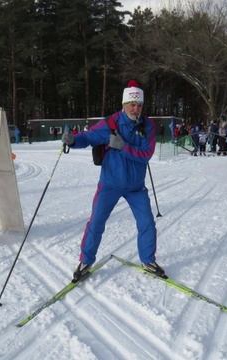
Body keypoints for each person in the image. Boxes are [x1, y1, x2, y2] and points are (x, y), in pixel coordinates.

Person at [61, 80, 165, 281]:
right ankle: (86, 261)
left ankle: (148, 259)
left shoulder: (149, 126)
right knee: (97, 222)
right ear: (124, 104)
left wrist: (122, 147)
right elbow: (89, 137)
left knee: (147, 223)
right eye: (132, 104)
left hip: (136, 187)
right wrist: (73, 140)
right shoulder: (111, 123)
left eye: (139, 105)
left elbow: (146, 154)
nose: (136, 109)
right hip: (110, 184)